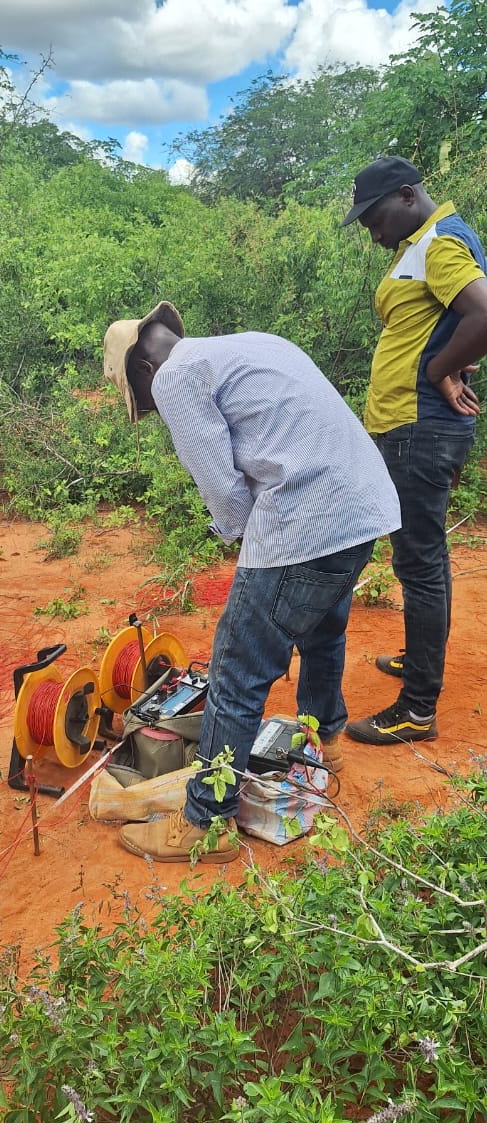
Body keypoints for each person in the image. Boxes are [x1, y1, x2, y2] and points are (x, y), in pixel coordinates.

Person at [103, 302, 400, 862]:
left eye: (140, 399)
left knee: (237, 670)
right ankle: (323, 746)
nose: (150, 408)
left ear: (143, 369)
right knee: (321, 632)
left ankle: (207, 823)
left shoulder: (175, 376)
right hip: (363, 511)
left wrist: (244, 541)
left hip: (306, 519)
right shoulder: (251, 344)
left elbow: (222, 486)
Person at [341, 156, 487, 747]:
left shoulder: (438, 243)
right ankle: (421, 657)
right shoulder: (421, 244)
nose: (373, 234)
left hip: (418, 430)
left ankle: (417, 710)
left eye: (375, 220)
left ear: (407, 196)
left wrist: (438, 369)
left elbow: (483, 314)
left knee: (419, 564)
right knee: (427, 558)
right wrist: (447, 362)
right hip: (413, 429)